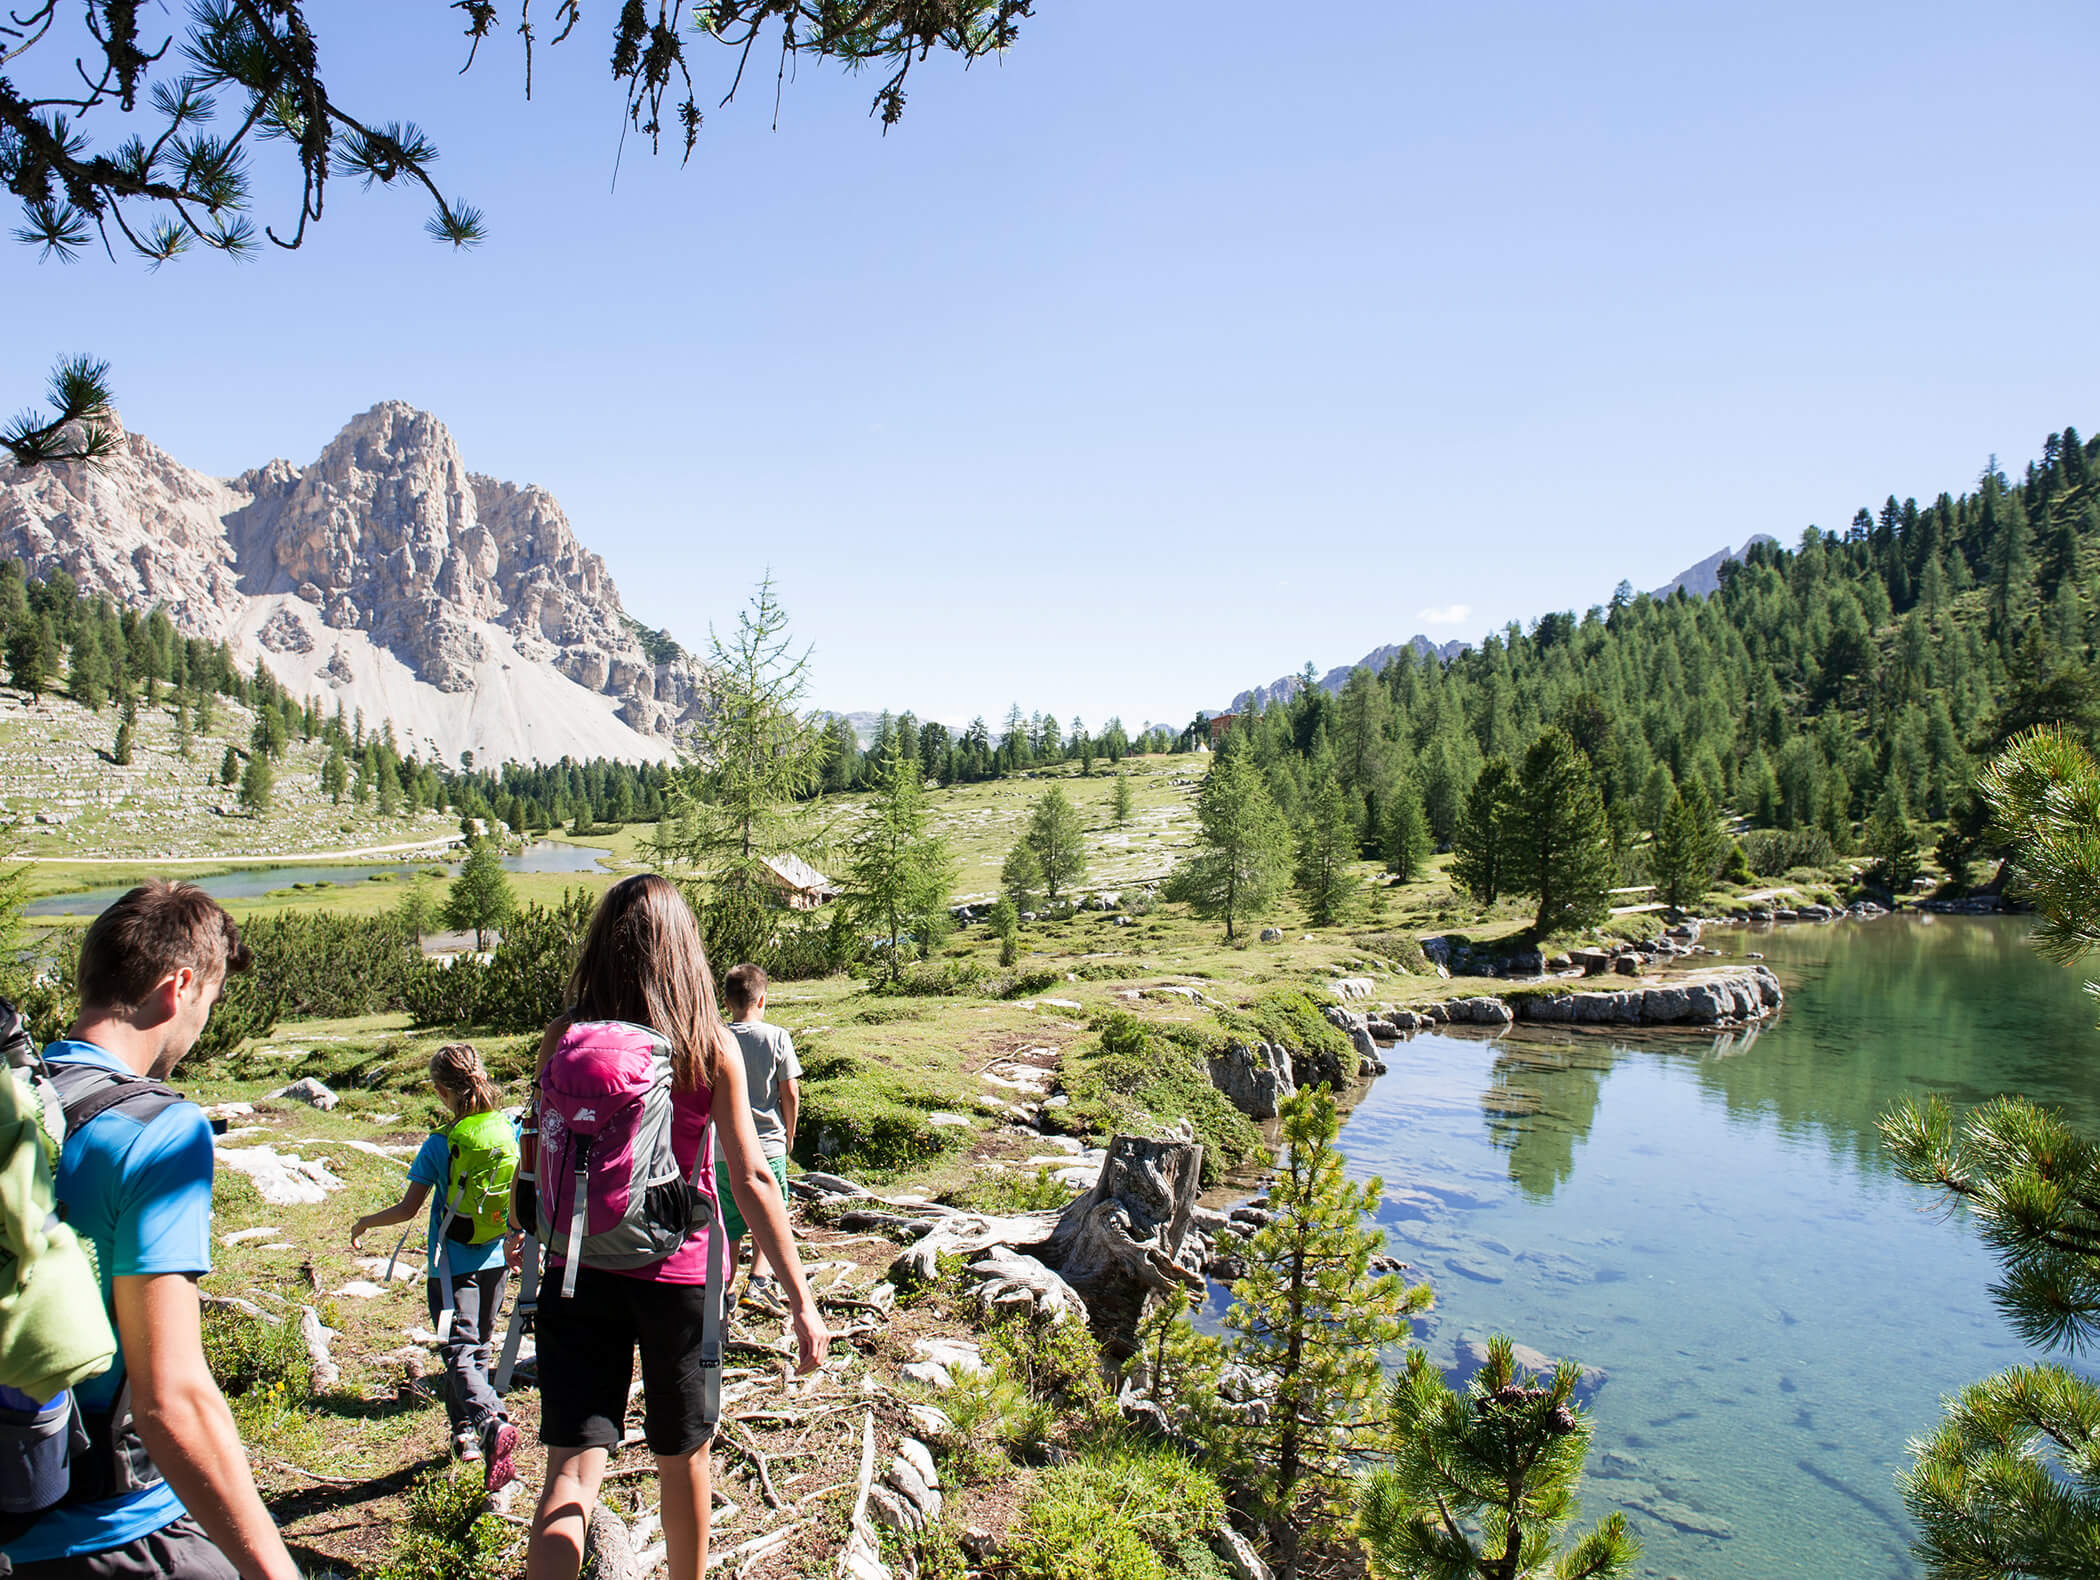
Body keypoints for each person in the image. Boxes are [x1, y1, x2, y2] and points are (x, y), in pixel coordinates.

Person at [523, 876, 828, 1580]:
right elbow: (752, 1180)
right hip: (679, 1275)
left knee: (569, 1473)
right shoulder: (705, 1045)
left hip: (576, 1269)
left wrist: (530, 1235)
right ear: (682, 950)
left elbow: (537, 1155)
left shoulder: (562, 1038)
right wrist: (801, 1300)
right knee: (683, 1455)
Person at [1, 882, 300, 1580]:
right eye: (212, 1000)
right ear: (180, 986)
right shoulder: (158, 1130)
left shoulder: (22, 1101)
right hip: (115, 1532)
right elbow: (172, 1400)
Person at [348, 1043, 523, 1491]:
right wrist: (519, 1235)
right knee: (478, 1345)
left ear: (443, 1091)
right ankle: (465, 1434)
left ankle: (489, 1420)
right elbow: (522, 1191)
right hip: (496, 1260)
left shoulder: (439, 1143)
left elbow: (408, 1210)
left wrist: (367, 1221)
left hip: (450, 1267)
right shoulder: (508, 1128)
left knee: (457, 1350)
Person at [712, 964, 799, 1311]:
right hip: (768, 1146)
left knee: (728, 1222)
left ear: (726, 1001)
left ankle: (725, 1289)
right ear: (762, 999)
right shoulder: (777, 1037)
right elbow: (789, 1091)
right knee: (771, 1211)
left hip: (722, 1150)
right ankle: (759, 1280)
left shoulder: (716, 1037)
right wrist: (789, 1135)